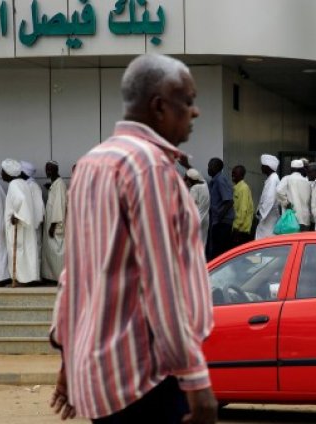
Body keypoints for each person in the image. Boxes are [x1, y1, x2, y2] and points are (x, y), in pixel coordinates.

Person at [49, 54, 216, 424]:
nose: (196, 111)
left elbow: (74, 276)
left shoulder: (93, 162)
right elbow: (163, 284)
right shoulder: (150, 168)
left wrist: (68, 361)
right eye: (187, 101)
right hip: (147, 381)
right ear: (159, 106)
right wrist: (195, 378)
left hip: (104, 379)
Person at [2, 159, 39, 285]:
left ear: (9, 173)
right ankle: (25, 278)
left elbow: (22, 199)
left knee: (19, 252)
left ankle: (21, 279)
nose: (1, 173)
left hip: (18, 226)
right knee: (24, 252)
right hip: (24, 226)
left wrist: (18, 216)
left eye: (3, 171)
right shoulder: (22, 182)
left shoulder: (14, 184)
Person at [41, 161, 67, 283]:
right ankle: (52, 277)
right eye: (47, 169)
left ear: (56, 170)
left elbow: (59, 206)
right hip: (51, 224)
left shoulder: (60, 184)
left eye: (50, 169)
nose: (48, 172)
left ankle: (59, 278)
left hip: (55, 225)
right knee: (51, 253)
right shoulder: (55, 184)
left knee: (57, 253)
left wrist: (53, 225)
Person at [206, 158, 235, 260]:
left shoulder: (220, 180)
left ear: (217, 168)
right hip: (217, 220)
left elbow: (229, 201)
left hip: (222, 222)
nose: (208, 169)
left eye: (210, 166)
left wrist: (219, 218)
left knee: (219, 251)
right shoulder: (215, 180)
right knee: (215, 249)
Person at [276, 159, 312, 231]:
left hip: (292, 218)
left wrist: (285, 202)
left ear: (291, 169)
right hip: (305, 218)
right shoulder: (307, 181)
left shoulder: (287, 178)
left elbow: (278, 190)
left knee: (292, 240)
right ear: (301, 169)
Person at [21, 161, 45, 265]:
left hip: (34, 225)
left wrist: (35, 224)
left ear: (24, 173)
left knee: (34, 249)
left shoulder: (33, 186)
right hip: (28, 225)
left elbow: (39, 207)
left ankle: (35, 277)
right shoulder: (26, 185)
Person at [255, 154, 280, 239]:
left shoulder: (273, 179)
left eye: (263, 166)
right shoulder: (271, 178)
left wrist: (261, 212)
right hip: (268, 216)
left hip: (269, 216)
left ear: (268, 167)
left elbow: (270, 199)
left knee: (266, 239)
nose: (261, 168)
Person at [185, 168, 211, 247]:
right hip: (205, 219)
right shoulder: (204, 183)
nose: (185, 181)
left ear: (190, 180)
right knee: (202, 243)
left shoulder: (194, 189)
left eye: (186, 179)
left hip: (195, 221)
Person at [231, 165, 254, 246]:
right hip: (238, 228)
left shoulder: (243, 188)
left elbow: (243, 209)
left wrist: (236, 227)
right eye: (232, 173)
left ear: (241, 175)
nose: (232, 175)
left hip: (241, 230)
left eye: (235, 173)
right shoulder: (236, 187)